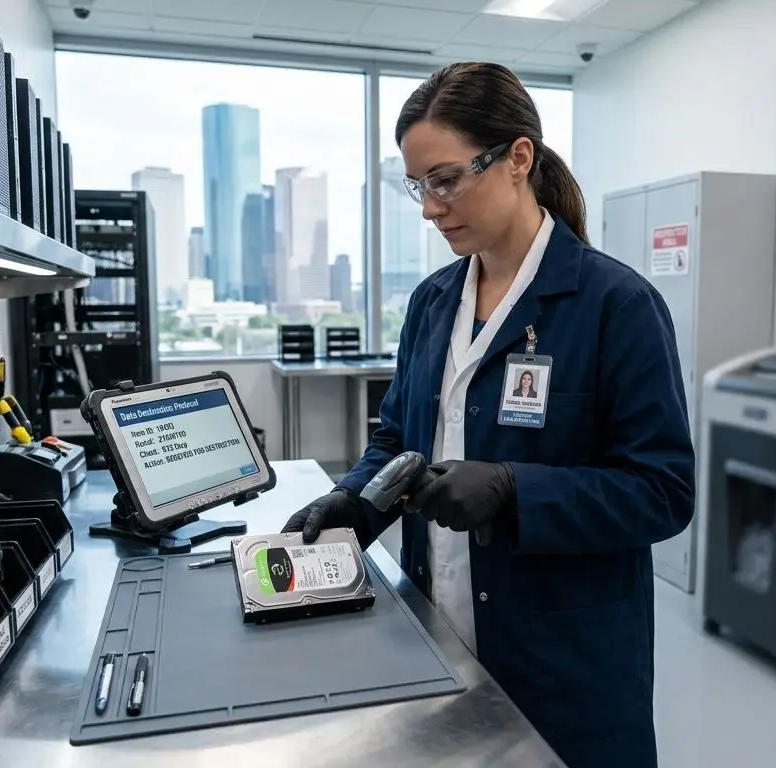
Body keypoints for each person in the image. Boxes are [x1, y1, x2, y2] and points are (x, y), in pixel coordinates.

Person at [281, 61, 694, 768]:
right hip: (437, 632)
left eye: (445, 180)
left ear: (518, 159)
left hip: (564, 660)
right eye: (419, 185)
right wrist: (356, 499)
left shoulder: (615, 305)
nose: (429, 207)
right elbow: (396, 437)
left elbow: (663, 491)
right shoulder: (433, 302)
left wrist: (513, 490)